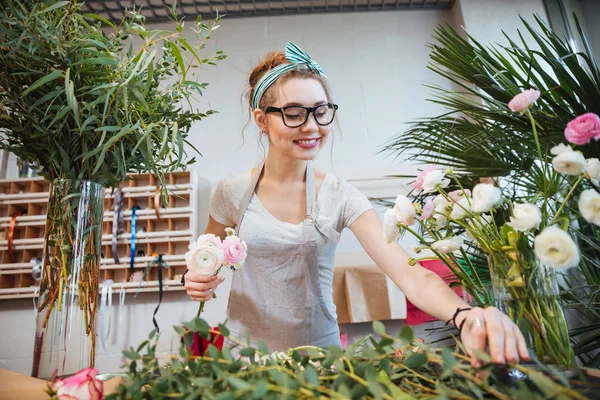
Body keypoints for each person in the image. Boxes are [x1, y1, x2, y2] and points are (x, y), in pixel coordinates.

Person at [183, 42, 529, 367]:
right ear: (262, 119)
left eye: (320, 111)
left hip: (320, 361)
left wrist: (463, 314)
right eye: (293, 113)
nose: (311, 126)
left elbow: (410, 274)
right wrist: (197, 279)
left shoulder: (340, 196)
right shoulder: (232, 192)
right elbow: (205, 262)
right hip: (245, 360)